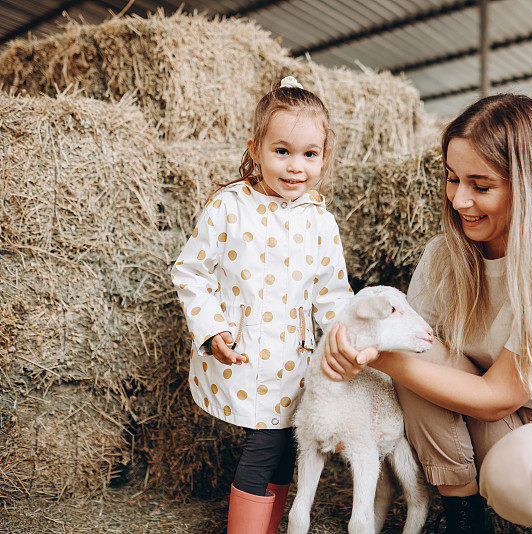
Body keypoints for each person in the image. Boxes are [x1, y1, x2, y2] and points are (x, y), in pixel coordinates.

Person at [322, 94, 532, 534]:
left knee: (511, 475)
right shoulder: (446, 256)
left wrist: (378, 357)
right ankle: (465, 519)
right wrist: (354, 344)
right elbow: (412, 349)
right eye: (452, 178)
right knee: (416, 357)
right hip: (507, 425)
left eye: (481, 186)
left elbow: (500, 395)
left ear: (528, 186)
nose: (460, 200)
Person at [171, 76, 352, 534]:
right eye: (282, 151)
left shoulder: (322, 222)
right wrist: (212, 329)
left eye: (310, 154)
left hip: (298, 360)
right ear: (256, 149)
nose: (296, 167)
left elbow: (332, 294)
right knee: (266, 446)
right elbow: (191, 271)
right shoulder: (229, 207)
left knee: (288, 446)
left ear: (324, 156)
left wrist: (343, 347)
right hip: (248, 353)